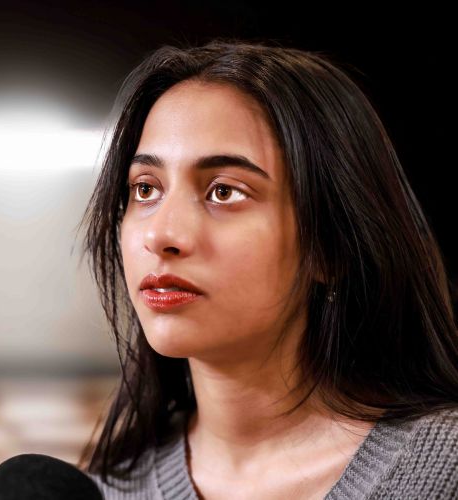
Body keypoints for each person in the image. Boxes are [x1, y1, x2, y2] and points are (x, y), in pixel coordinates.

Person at [75, 38, 458, 499]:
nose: (160, 235)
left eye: (223, 191)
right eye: (145, 189)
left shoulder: (444, 470)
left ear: (330, 248)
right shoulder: (109, 489)